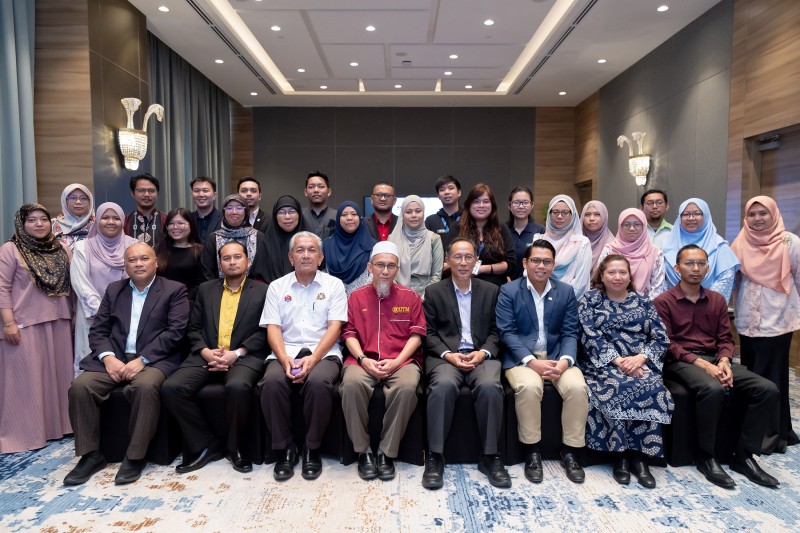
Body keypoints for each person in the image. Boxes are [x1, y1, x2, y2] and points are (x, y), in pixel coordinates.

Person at [654, 244, 780, 488]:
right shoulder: (663, 301)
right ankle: (706, 456)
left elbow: (725, 339)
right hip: (681, 361)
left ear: (708, 268)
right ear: (677, 268)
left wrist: (724, 361)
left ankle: (743, 455)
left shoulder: (717, 300)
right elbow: (667, 344)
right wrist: (703, 365)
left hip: (714, 358)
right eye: (689, 263)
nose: (695, 268)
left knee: (767, 389)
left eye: (701, 263)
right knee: (712, 389)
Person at [64, 242, 189, 485]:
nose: (138, 264)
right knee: (80, 386)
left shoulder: (175, 290)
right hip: (115, 358)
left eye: (144, 258)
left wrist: (143, 360)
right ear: (125, 265)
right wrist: (108, 358)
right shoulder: (114, 290)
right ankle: (91, 455)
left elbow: (175, 332)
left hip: (155, 359)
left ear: (156, 262)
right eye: (132, 260)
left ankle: (135, 456)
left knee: (143, 387)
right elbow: (98, 330)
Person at [162, 241, 268, 475]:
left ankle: (235, 447)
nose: (232, 262)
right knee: (172, 387)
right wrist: (205, 351)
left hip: (243, 356)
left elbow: (265, 331)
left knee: (239, 387)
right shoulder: (206, 289)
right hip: (207, 354)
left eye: (237, 257)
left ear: (247, 261)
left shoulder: (263, 290)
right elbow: (193, 328)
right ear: (220, 263)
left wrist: (237, 353)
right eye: (226, 258)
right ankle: (206, 443)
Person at [496, 239, 588, 485]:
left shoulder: (565, 291)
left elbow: (570, 332)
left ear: (553, 265)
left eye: (547, 261)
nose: (541, 266)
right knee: (529, 387)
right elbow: (507, 333)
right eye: (535, 260)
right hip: (521, 358)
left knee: (577, 388)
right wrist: (530, 361)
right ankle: (532, 451)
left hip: (557, 355)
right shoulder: (509, 291)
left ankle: (570, 451)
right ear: (525, 263)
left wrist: (566, 361)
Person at [578, 254, 673, 488]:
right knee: (618, 385)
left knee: (650, 385)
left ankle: (640, 458)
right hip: (603, 364)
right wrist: (619, 362)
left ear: (630, 276)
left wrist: (640, 359)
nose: (617, 277)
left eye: (623, 272)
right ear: (602, 275)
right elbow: (590, 337)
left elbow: (660, 337)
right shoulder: (590, 300)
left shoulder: (643, 300)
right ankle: (620, 456)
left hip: (640, 363)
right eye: (611, 272)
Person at [422, 238, 509, 489]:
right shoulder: (435, 291)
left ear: (475, 261)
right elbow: (428, 333)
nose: (462, 262)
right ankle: (435, 456)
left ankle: (490, 456)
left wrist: (483, 353)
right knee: (442, 387)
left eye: (468, 257)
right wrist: (448, 355)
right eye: (457, 257)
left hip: (481, 354)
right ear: (448, 261)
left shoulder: (491, 290)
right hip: (446, 356)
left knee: (491, 387)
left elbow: (497, 331)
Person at [259, 232, 347, 481]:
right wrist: (283, 357)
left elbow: (335, 327)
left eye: (311, 250)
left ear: (320, 257)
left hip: (324, 352)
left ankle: (312, 448)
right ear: (290, 257)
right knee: (271, 383)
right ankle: (285, 448)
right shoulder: (277, 287)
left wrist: (314, 359)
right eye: (300, 250)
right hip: (285, 350)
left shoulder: (334, 285)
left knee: (319, 383)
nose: (306, 255)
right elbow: (273, 328)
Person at [340, 241, 426, 481]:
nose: (385, 271)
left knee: (407, 387)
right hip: (362, 359)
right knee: (351, 385)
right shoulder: (355, 297)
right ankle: (363, 452)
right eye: (380, 265)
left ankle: (386, 453)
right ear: (370, 267)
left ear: (398, 269)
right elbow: (349, 334)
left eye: (390, 266)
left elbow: (416, 335)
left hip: (402, 359)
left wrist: (397, 361)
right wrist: (362, 359)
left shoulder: (410, 297)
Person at [0, 204, 73, 454]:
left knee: (58, 379)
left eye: (44, 219)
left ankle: (57, 427)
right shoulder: (10, 250)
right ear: (22, 223)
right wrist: (8, 323)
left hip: (59, 320)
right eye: (32, 220)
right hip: (23, 324)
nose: (39, 224)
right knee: (26, 382)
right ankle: (26, 433)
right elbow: (1, 288)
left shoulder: (61, 249)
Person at [731, 196, 800, 453]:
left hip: (779, 320)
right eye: (752, 214)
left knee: (773, 377)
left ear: (774, 214)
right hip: (749, 321)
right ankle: (752, 427)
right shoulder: (740, 242)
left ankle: (772, 434)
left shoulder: (790, 243)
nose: (757, 219)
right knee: (752, 375)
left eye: (763, 214)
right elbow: (734, 282)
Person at [71, 202, 137, 375]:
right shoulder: (82, 248)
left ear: (123, 221)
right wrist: (103, 313)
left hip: (126, 316)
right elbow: (80, 283)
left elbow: (138, 280)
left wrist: (118, 311)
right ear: (97, 220)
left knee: (124, 368)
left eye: (116, 218)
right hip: (92, 317)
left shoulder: (134, 246)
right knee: (91, 369)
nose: (111, 222)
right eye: (105, 217)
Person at [661, 198, 740, 302]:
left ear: (706, 216)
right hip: (672, 307)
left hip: (709, 308)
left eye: (697, 214)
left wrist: (704, 305)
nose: (691, 218)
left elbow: (724, 280)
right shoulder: (665, 245)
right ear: (679, 217)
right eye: (685, 214)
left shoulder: (719, 246)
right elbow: (661, 280)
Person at [597, 208, 666, 299]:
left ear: (644, 226)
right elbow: (600, 279)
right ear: (620, 227)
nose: (632, 228)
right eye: (626, 224)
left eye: (637, 224)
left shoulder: (655, 252)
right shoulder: (609, 250)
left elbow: (657, 287)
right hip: (611, 304)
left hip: (645, 305)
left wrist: (641, 306)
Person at [456, 183, 515, 287]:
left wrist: (482, 269)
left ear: (492, 205)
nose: (481, 205)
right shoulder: (457, 228)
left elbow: (511, 264)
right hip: (463, 286)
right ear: (469, 205)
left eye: (486, 201)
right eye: (476, 201)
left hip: (495, 288)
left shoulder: (502, 228)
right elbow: (448, 260)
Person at [200, 194, 268, 283]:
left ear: (246, 212)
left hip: (251, 291)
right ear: (223, 212)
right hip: (218, 290)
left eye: (239, 208)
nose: (234, 212)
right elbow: (207, 272)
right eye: (229, 208)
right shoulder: (213, 238)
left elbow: (262, 269)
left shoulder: (258, 237)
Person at [534, 195, 592, 298]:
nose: (560, 216)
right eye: (555, 212)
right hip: (539, 300)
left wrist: (559, 301)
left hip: (570, 303)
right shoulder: (538, 240)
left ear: (573, 214)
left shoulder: (582, 243)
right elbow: (531, 275)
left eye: (565, 212)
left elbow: (580, 283)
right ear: (549, 214)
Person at [388, 195, 443, 297]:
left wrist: (423, 298)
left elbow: (436, 275)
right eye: (408, 212)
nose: (414, 215)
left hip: (426, 295)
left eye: (418, 211)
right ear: (402, 215)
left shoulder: (434, 239)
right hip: (396, 295)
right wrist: (401, 295)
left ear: (423, 212)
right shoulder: (392, 239)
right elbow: (388, 269)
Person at [323, 201, 376, 296]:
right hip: (333, 300)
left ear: (360, 217)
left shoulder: (372, 245)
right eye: (344, 215)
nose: (349, 218)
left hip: (363, 300)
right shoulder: (326, 244)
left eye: (354, 214)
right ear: (338, 219)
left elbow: (375, 275)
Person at [157, 208, 205, 302]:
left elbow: (201, 282)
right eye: (171, 223)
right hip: (161, 302)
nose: (175, 227)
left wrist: (183, 300)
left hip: (189, 303)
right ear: (166, 227)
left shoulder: (200, 251)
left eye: (181, 223)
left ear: (191, 225)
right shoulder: (158, 249)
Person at [262, 195, 308, 284]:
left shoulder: (311, 241)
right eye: (282, 212)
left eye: (292, 211)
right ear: (275, 217)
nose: (287, 216)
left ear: (299, 215)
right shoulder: (266, 243)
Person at [507, 186, 545, 280]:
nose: (521, 206)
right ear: (509, 205)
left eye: (525, 203)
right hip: (504, 285)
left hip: (532, 284)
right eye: (516, 202)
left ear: (532, 205)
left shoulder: (540, 231)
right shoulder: (502, 230)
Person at [124, 173, 167, 247]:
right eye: (141, 190)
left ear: (158, 193)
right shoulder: (124, 221)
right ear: (133, 193)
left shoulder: (167, 220)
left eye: (151, 191)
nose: (146, 194)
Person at [425, 175, 463, 252]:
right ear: (438, 196)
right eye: (442, 190)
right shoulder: (430, 220)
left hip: (463, 263)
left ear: (459, 192)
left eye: (451, 188)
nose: (447, 192)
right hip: (439, 263)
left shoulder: (468, 218)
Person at [51, 183, 95, 250]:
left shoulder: (98, 226)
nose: (78, 202)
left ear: (90, 202)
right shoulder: (52, 225)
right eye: (73, 198)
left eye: (83, 198)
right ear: (65, 201)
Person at [580, 200, 614, 271]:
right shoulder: (574, 242)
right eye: (587, 214)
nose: (592, 218)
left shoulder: (612, 246)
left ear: (604, 217)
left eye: (597, 214)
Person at [302, 171, 336, 239]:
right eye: (311, 187)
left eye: (321, 186)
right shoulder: (299, 215)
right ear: (305, 192)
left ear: (329, 192)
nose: (316, 190)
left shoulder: (338, 216)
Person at [189, 177, 222, 242]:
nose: (201, 194)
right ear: (192, 194)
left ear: (214, 195)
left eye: (205, 190)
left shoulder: (224, 219)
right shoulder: (187, 219)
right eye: (196, 191)